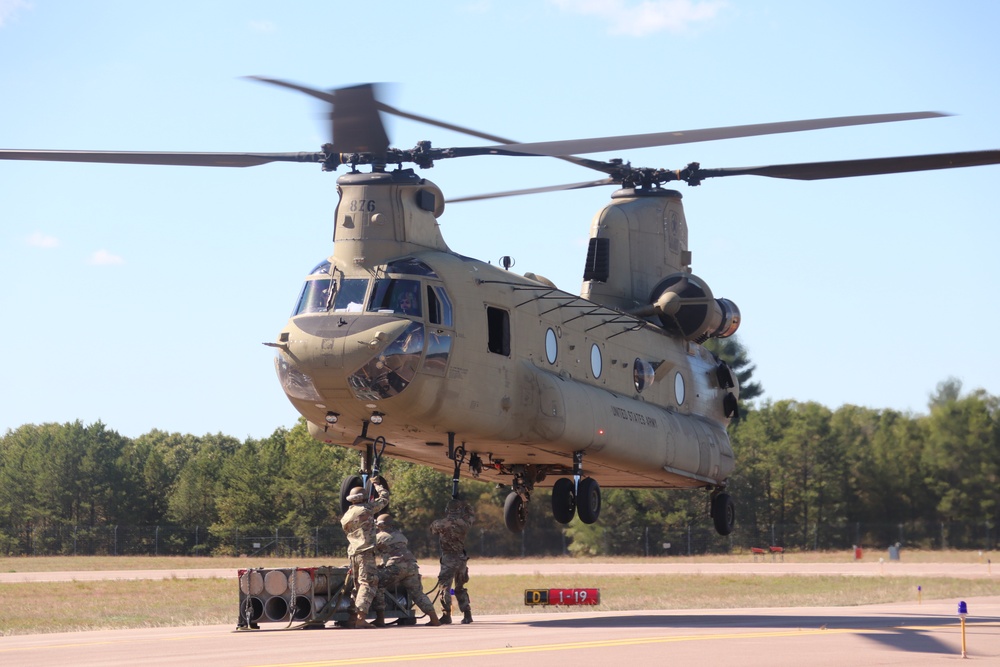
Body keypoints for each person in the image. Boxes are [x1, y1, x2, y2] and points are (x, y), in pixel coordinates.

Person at [373, 514, 441, 626]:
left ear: (380, 525)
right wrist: (383, 563)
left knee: (378, 584)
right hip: (412, 566)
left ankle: (380, 619)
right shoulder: (400, 535)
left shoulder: (379, 537)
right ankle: (434, 619)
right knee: (418, 593)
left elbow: (371, 552)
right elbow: (394, 550)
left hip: (396, 567)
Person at [340, 476, 390, 629]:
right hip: (366, 553)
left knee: (356, 585)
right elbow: (385, 498)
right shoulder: (367, 509)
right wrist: (376, 484)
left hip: (353, 553)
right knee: (367, 584)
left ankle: (352, 617)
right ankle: (361, 618)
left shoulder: (347, 515)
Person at [429, 496, 475, 624]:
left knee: (445, 588)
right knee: (459, 588)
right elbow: (471, 515)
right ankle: (467, 614)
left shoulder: (440, 523)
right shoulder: (465, 523)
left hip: (449, 559)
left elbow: (432, 530)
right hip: (461, 558)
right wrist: (466, 504)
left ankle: (446, 615)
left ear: (447, 509)